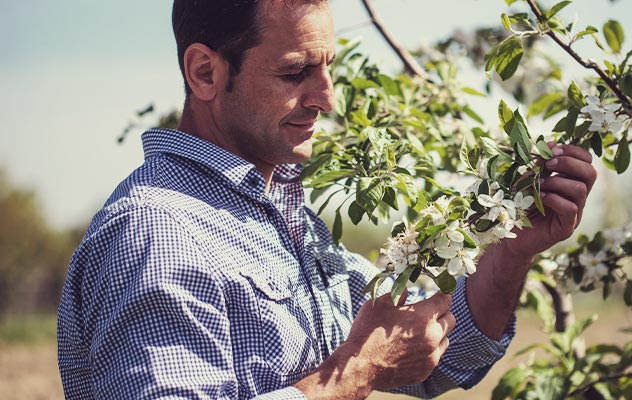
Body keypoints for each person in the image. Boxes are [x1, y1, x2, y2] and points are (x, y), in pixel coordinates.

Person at [57, 0, 597, 398]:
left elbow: (440, 358)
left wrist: (512, 251)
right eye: (295, 71)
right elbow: (373, 358)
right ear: (205, 72)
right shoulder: (158, 232)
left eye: (328, 67)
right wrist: (359, 369)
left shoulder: (282, 215)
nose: (327, 98)